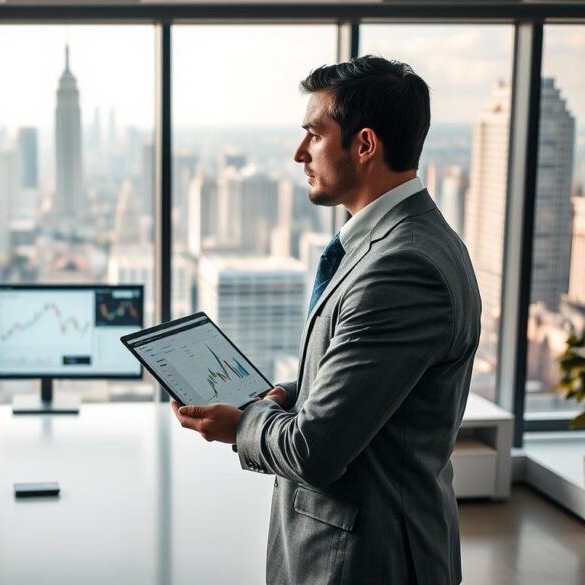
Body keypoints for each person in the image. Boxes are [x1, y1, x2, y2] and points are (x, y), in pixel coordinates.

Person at [172, 55, 481, 585]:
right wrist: (291, 395)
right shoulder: (401, 241)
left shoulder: (402, 268)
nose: (299, 153)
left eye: (314, 135)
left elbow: (313, 452)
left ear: (364, 145)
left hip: (365, 559)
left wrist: (239, 425)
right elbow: (381, 385)